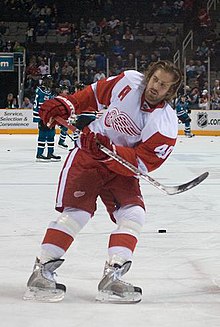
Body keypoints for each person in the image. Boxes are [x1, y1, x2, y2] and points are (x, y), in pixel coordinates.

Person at [24, 60, 182, 303]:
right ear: (148, 77)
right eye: (155, 80)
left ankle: (113, 275)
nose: (155, 87)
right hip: (88, 156)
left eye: (163, 86)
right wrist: (67, 105)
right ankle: (42, 271)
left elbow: (141, 163)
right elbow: (95, 95)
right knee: (78, 213)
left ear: (170, 91)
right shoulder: (129, 81)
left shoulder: (165, 123)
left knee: (134, 214)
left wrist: (112, 152)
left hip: (120, 168)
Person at [33, 75, 61, 162]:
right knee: (43, 135)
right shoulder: (40, 90)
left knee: (51, 135)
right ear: (44, 81)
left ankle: (50, 153)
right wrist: (39, 118)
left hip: (50, 117)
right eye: (49, 80)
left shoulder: (50, 91)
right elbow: (38, 105)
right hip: (43, 117)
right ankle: (39, 154)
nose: (51, 82)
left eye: (51, 80)